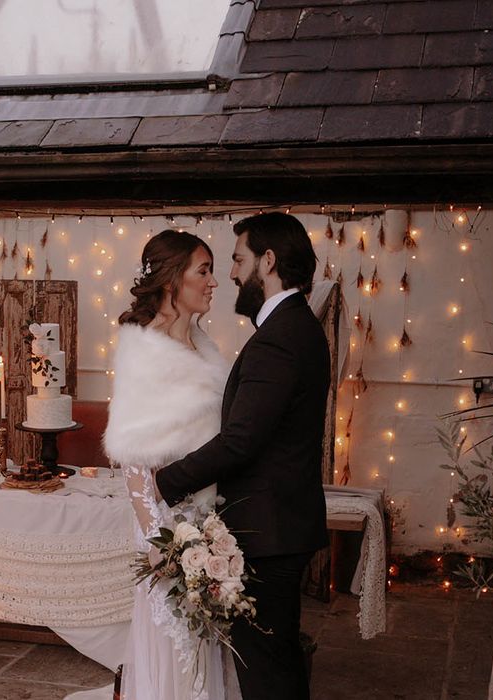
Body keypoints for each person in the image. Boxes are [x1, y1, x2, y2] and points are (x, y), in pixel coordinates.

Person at [154, 213, 331, 700]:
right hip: (282, 525)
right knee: (275, 662)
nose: (230, 274)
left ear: (268, 261)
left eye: (237, 259)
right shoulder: (296, 327)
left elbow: (241, 441)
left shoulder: (280, 337)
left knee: (268, 672)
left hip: (270, 533)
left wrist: (164, 482)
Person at [104, 229, 241, 700]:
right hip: (170, 535)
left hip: (211, 524)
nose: (212, 283)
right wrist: (160, 541)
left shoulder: (204, 346)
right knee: (178, 652)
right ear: (170, 280)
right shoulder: (144, 349)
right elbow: (132, 461)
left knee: (207, 650)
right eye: (203, 271)